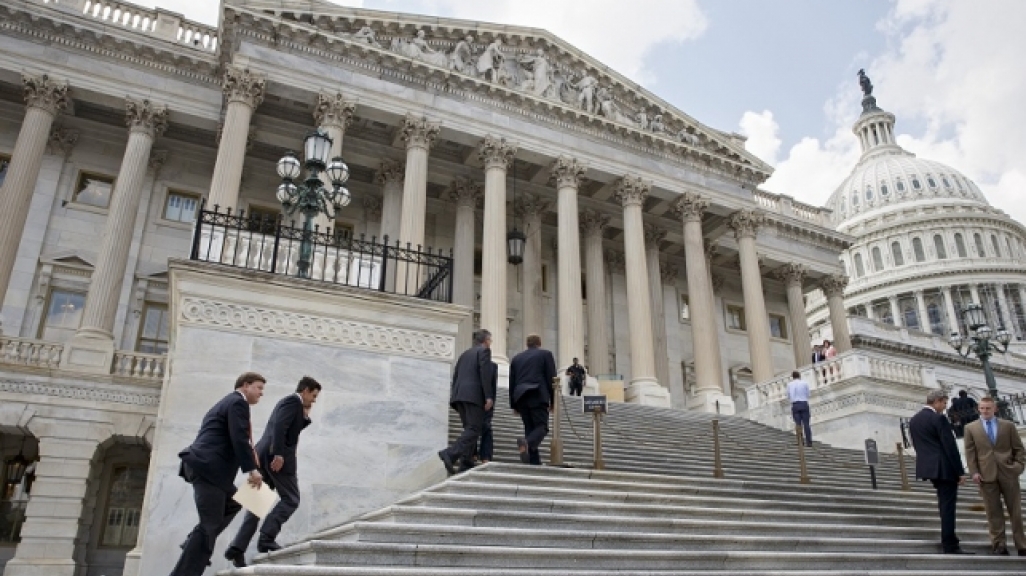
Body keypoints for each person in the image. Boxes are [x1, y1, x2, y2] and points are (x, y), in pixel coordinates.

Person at [169, 372, 266, 576]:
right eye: (259, 388)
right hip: (208, 469)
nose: (261, 393)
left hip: (211, 470)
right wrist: (252, 470)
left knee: (234, 503)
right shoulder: (237, 403)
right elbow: (238, 437)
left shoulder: (228, 403)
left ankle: (192, 542)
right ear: (245, 385)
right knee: (209, 525)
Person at [224, 376, 322, 568]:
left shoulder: (294, 405)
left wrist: (306, 414)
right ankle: (266, 538)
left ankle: (237, 548)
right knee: (291, 499)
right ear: (305, 391)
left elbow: (290, 429)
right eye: (314, 395)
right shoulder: (291, 401)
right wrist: (278, 454)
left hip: (263, 456)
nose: (315, 400)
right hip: (276, 458)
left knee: (255, 505)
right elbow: (279, 427)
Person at [909, 389, 970, 554]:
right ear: (936, 401)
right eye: (944, 403)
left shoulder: (914, 420)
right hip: (945, 468)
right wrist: (960, 471)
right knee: (948, 507)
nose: (944, 407)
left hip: (929, 468)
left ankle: (951, 540)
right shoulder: (938, 418)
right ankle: (950, 543)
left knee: (945, 505)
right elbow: (949, 446)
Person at [963, 397, 1026, 556]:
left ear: (995, 409)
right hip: (986, 475)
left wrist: (1018, 467)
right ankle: (999, 544)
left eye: (988, 408)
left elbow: (1019, 449)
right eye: (982, 408)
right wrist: (974, 472)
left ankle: (1022, 545)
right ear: (979, 409)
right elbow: (970, 453)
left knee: (1016, 511)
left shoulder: (1008, 426)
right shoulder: (971, 428)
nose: (984, 411)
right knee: (993, 512)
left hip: (1009, 473)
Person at [438, 329, 495, 475]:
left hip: (460, 396)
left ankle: (466, 462)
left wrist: (455, 395)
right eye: (490, 340)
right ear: (486, 341)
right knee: (474, 429)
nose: (490, 343)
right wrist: (488, 396)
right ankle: (450, 453)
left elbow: (456, 376)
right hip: (473, 396)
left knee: (470, 429)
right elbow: (485, 374)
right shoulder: (484, 352)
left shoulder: (464, 354)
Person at [509, 334, 557, 465]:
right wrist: (553, 401)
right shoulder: (545, 355)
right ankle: (527, 443)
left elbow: (512, 382)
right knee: (542, 427)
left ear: (527, 344)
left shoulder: (516, 358)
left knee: (529, 429)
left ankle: (534, 461)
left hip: (521, 396)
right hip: (537, 394)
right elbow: (551, 379)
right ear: (539, 343)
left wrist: (514, 404)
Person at [477, 361, 498, 464]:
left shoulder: (493, 366)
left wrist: (490, 400)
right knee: (473, 428)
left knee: (486, 427)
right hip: (473, 400)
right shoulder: (472, 363)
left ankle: (485, 456)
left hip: (486, 402)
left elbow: (493, 386)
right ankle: (473, 454)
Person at [786, 370, 812, 447]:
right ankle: (809, 441)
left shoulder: (789, 385)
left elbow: (788, 396)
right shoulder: (804, 383)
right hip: (804, 403)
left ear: (792, 377)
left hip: (795, 405)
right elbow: (808, 394)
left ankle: (800, 441)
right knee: (806, 424)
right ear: (799, 376)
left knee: (798, 424)